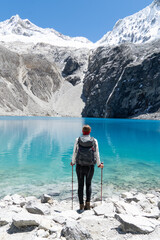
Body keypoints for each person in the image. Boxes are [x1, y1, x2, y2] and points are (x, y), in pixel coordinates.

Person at [71, 125, 104, 211]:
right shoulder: (94, 140)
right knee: (88, 184)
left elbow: (74, 152)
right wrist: (99, 164)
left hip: (79, 166)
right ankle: (88, 204)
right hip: (90, 166)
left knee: (80, 185)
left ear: (82, 131)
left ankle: (81, 205)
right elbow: (97, 153)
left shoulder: (77, 140)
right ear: (90, 131)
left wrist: (73, 162)